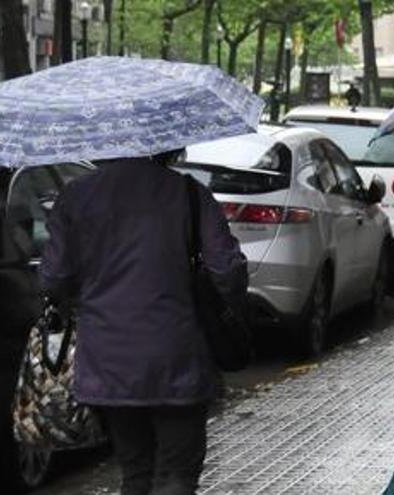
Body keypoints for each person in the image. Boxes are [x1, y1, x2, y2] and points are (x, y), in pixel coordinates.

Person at [40, 150, 248, 495]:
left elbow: (52, 279)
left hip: (109, 361)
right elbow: (227, 271)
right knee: (177, 473)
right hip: (177, 356)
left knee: (135, 470)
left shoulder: (75, 196)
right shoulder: (189, 193)